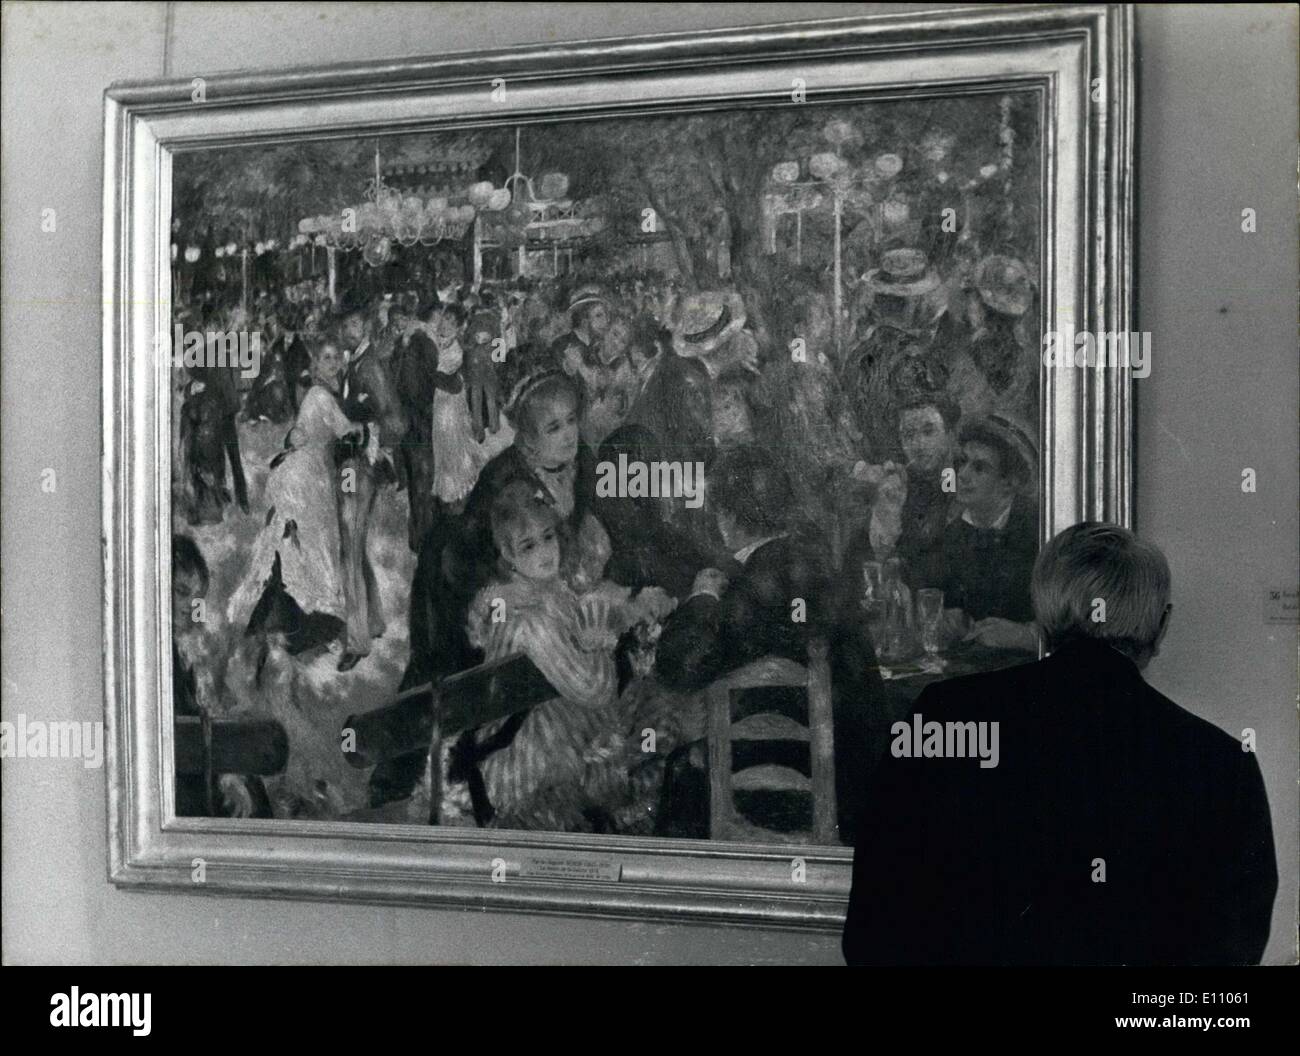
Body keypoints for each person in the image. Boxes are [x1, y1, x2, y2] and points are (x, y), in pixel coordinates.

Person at [843, 523, 1279, 965]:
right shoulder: (1222, 764)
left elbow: (873, 930)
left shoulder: (944, 715)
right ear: (1161, 627)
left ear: (1045, 614)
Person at [654, 445, 884, 843]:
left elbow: (677, 667)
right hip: (852, 784)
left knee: (678, 769)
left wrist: (702, 598)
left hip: (770, 786)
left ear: (725, 517)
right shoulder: (825, 570)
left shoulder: (742, 588)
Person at [447, 482, 673, 831]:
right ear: (509, 557)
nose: (544, 551)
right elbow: (595, 691)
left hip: (556, 736)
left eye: (548, 537)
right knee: (654, 729)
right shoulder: (529, 621)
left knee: (656, 713)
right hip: (531, 762)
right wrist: (597, 646)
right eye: (529, 545)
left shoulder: (549, 595)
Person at [227, 338, 360, 659]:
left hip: (300, 474)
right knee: (308, 547)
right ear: (316, 365)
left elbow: (296, 435)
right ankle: (298, 625)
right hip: (304, 481)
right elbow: (346, 432)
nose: (332, 364)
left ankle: (276, 621)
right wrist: (366, 431)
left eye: (335, 358)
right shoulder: (319, 395)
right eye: (325, 358)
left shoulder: (317, 394)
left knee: (289, 546)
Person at [930, 414, 1039, 653]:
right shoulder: (952, 535)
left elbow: (1076, 624)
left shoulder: (1039, 531)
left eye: (980, 468)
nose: (963, 475)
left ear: (1008, 483)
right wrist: (951, 618)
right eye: (963, 462)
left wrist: (1026, 636)